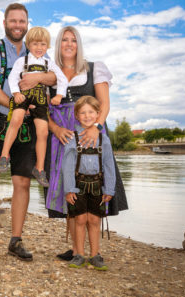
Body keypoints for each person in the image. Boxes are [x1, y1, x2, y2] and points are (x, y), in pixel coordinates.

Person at [0, 3, 56, 261]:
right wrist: (16, 103)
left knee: (22, 182)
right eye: (13, 21)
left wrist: (39, 79)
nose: (18, 25)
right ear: (5, 22)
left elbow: (55, 77)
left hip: (29, 125)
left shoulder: (38, 52)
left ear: (27, 24)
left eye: (22, 21)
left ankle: (15, 241)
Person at [44, 26, 128, 261]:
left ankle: (91, 251)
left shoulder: (94, 69)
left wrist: (95, 128)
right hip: (62, 138)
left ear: (78, 45)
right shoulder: (50, 74)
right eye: (64, 40)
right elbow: (42, 111)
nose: (69, 44)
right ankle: (76, 250)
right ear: (58, 44)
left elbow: (104, 104)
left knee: (92, 185)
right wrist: (57, 129)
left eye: (74, 40)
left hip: (91, 136)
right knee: (68, 191)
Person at [0, 27, 68, 188]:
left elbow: (62, 79)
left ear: (47, 46)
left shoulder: (49, 63)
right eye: (35, 44)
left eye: (43, 44)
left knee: (43, 132)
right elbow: (13, 77)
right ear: (28, 45)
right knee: (16, 119)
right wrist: (16, 93)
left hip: (41, 99)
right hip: (24, 96)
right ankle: (4, 155)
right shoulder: (22, 62)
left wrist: (59, 95)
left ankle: (40, 168)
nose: (39, 48)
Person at [62, 96, 115, 270]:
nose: (87, 116)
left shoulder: (104, 139)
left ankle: (95, 255)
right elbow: (67, 166)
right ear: (77, 116)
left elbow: (108, 166)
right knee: (80, 219)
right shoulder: (72, 138)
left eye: (91, 112)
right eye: (83, 113)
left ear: (98, 114)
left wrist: (109, 189)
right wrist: (69, 189)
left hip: (97, 186)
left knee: (94, 220)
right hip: (78, 185)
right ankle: (79, 255)